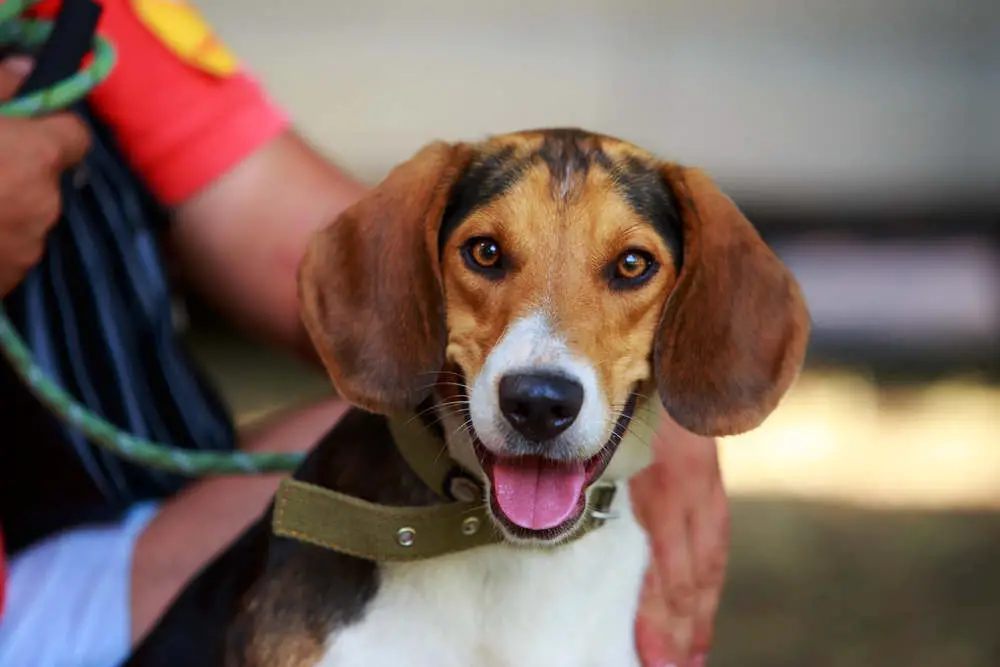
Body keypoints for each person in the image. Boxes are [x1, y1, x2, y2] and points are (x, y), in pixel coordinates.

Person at [0, 2, 728, 666]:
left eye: (630, 264)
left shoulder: (73, 13)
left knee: (392, 407)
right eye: (487, 253)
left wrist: (669, 368)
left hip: (56, 567)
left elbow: (327, 259)